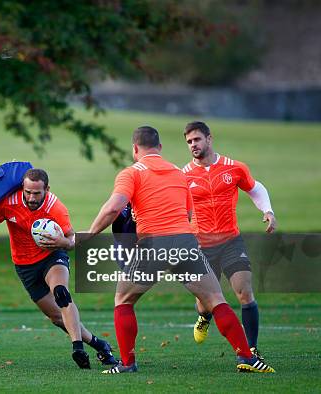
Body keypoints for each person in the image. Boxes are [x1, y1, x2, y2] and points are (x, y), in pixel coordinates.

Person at [87, 126, 275, 374]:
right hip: (185, 242)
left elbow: (113, 209)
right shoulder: (178, 172)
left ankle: (128, 364)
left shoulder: (130, 173)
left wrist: (86, 237)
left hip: (154, 244)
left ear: (135, 149)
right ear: (160, 148)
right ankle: (248, 358)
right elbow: (187, 212)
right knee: (216, 300)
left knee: (123, 299)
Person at [0, 169, 118, 369]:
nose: (31, 198)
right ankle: (100, 345)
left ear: (47, 189)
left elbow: (71, 239)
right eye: (28, 192)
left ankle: (77, 348)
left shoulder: (55, 208)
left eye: (37, 193)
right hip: (24, 265)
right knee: (56, 317)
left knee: (61, 293)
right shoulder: (9, 202)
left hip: (51, 256)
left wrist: (63, 242)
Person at [181, 121, 276, 358]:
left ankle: (251, 350)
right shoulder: (182, 175)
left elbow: (255, 188)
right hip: (200, 246)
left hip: (231, 241)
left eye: (197, 139)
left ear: (209, 139)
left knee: (244, 292)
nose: (193, 145)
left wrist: (268, 211)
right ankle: (204, 317)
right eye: (189, 142)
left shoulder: (234, 168)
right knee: (206, 303)